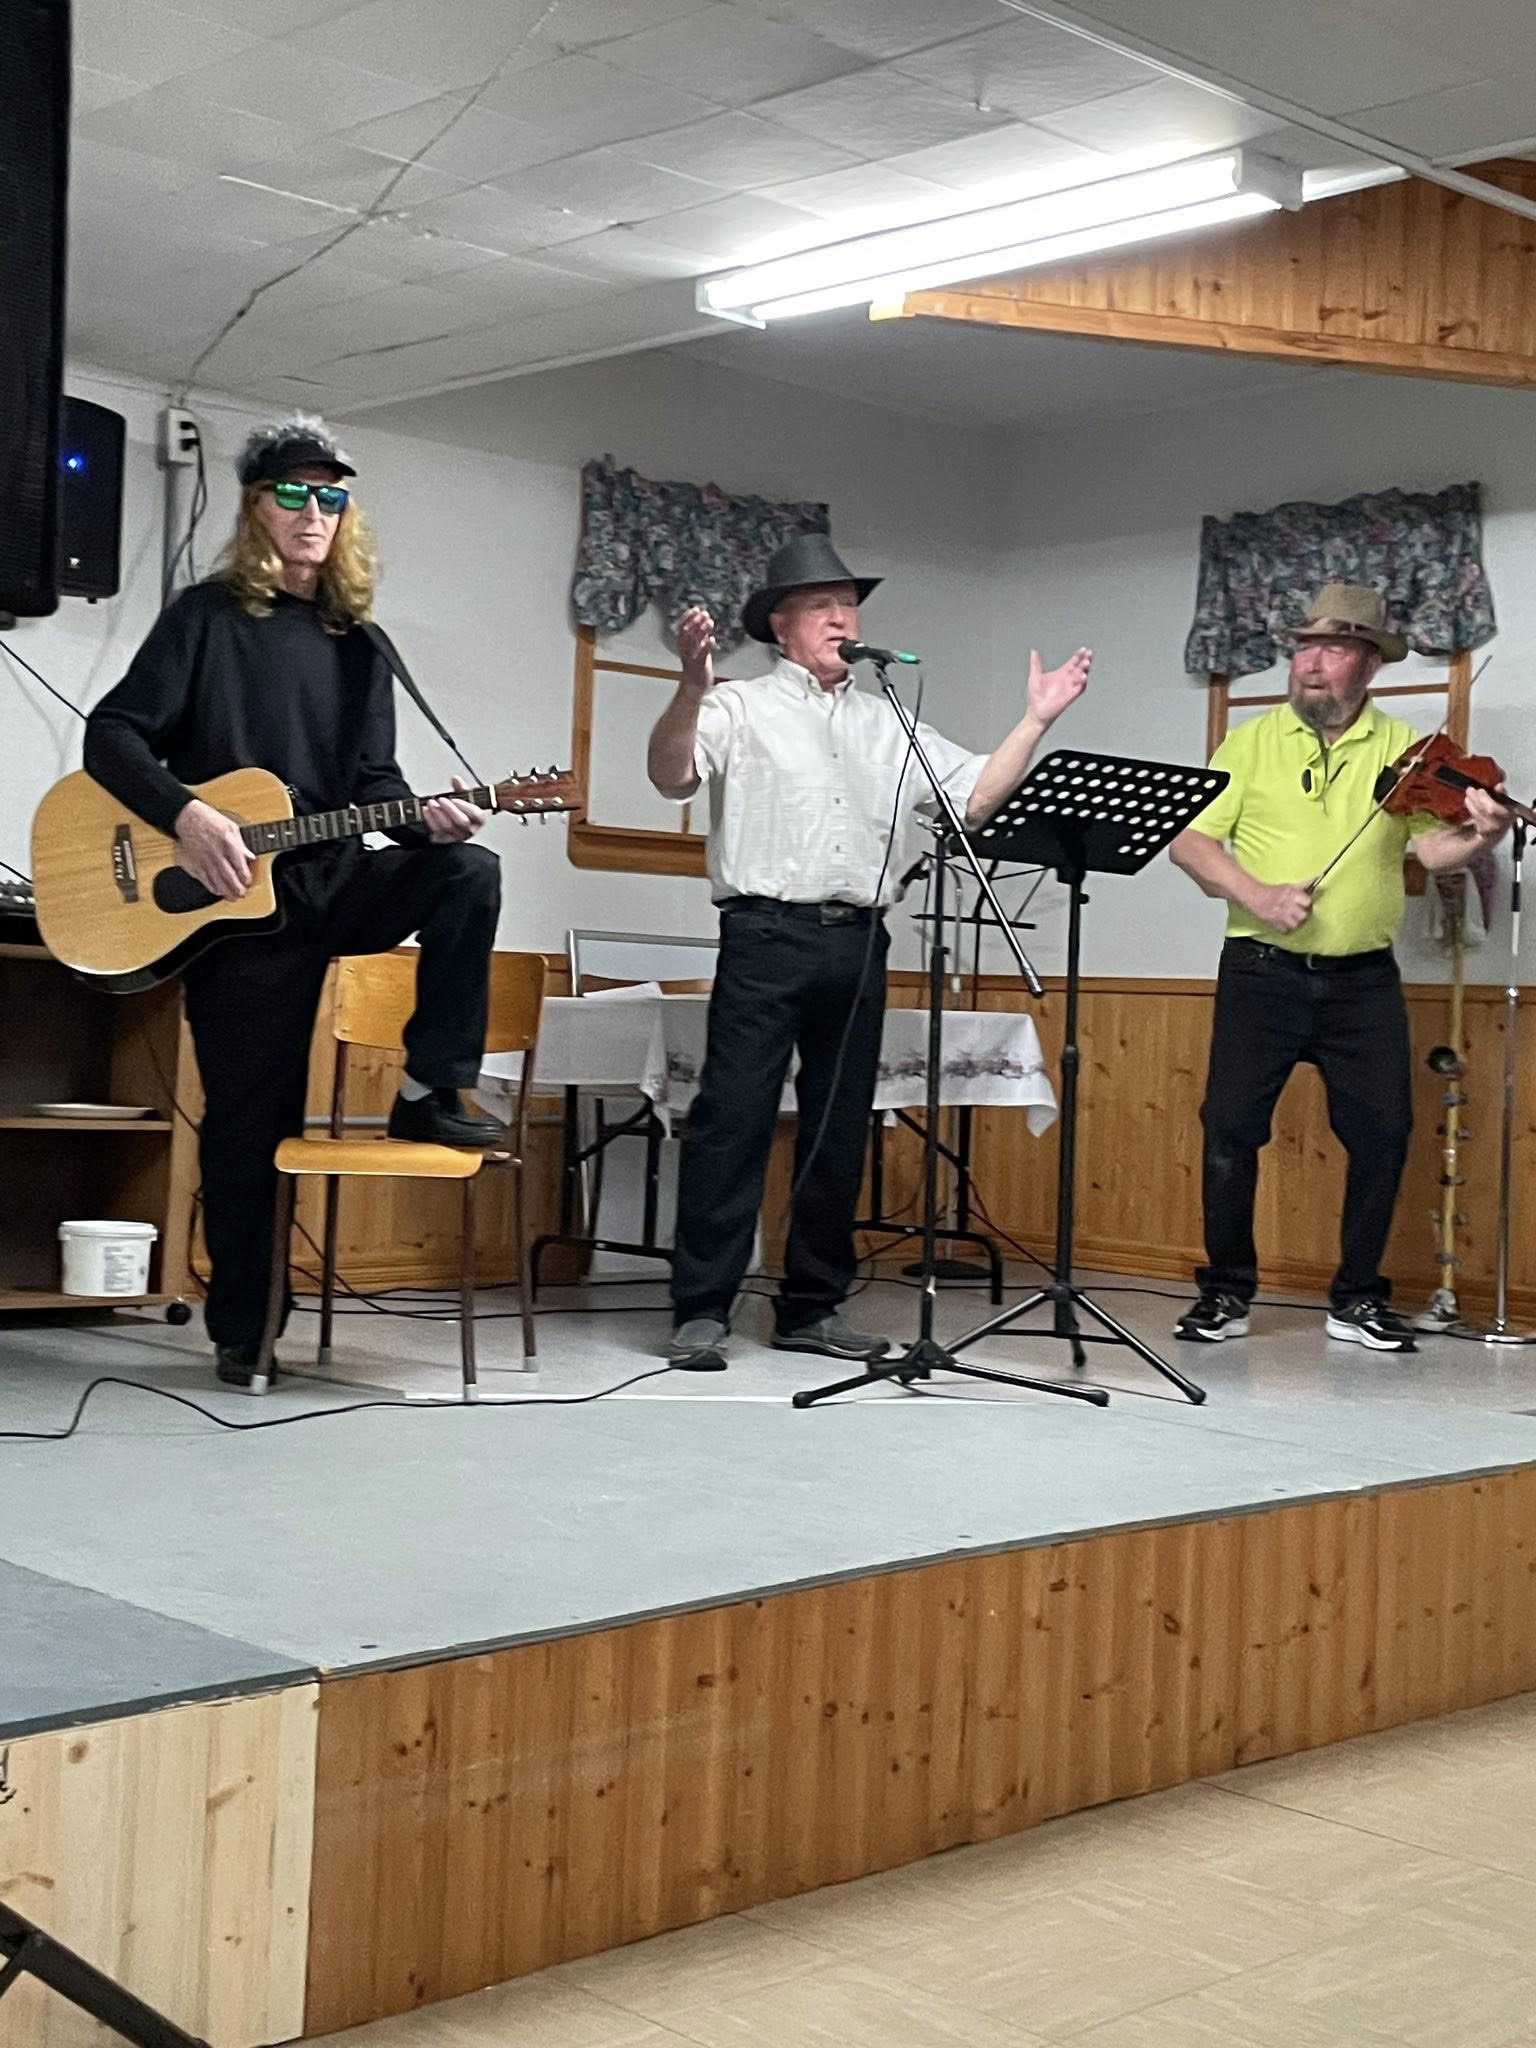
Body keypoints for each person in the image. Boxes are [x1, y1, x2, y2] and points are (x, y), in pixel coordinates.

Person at [83, 414, 502, 1389]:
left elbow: (374, 782)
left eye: (331, 497)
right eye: (294, 494)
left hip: (332, 878)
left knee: (468, 873)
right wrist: (187, 815)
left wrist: (427, 822)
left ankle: (428, 1091)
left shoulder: (361, 643)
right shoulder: (205, 618)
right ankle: (247, 1328)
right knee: (248, 1122)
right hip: (233, 906)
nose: (314, 513)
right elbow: (113, 734)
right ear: (256, 507)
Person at [647, 532, 1092, 1372]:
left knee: (841, 1127)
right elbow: (671, 776)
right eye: (821, 605)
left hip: (858, 939)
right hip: (764, 934)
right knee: (732, 1121)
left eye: (848, 605)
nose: (841, 618)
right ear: (780, 626)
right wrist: (691, 684)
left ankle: (811, 1308)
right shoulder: (740, 707)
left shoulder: (891, 721)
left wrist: (1036, 719)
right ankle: (700, 1308)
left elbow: (974, 800)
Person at [1169, 581, 1508, 1353]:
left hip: (1363, 980)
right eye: (1304, 648)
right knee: (1229, 1130)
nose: (1310, 664)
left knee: (1385, 1134)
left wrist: (1483, 834)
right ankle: (1225, 1293)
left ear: (1369, 664)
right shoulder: (1250, 742)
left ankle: (1356, 1299)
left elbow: (1433, 851)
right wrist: (1258, 894)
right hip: (1260, 971)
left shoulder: (1405, 750)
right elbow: (1191, 842)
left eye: (1331, 649)